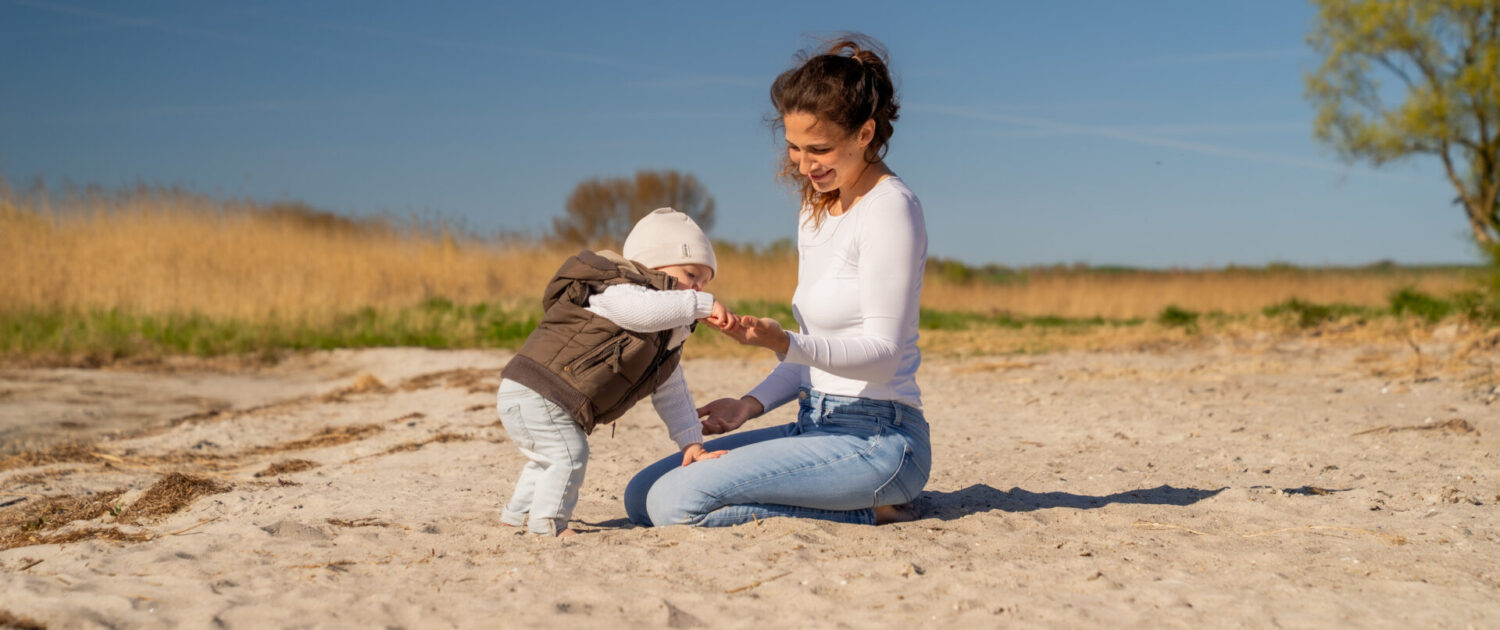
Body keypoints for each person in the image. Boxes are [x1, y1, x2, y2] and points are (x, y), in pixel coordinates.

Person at [624, 34, 931, 528]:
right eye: (793, 147)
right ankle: (853, 502)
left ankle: (873, 507)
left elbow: (882, 354)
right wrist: (748, 405)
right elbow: (812, 352)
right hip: (816, 424)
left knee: (673, 506)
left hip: (879, 439)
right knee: (641, 495)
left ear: (865, 133)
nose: (805, 165)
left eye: (820, 149)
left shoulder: (891, 209)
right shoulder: (816, 211)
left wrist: (784, 342)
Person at [496, 208, 734, 537]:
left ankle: (516, 516)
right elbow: (640, 313)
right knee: (569, 454)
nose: (698, 288)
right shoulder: (617, 289)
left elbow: (671, 391)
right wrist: (702, 304)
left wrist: (691, 443)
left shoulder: (666, 337)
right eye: (692, 275)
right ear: (654, 264)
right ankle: (548, 525)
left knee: (547, 459)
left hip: (543, 395)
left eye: (706, 283)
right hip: (539, 389)